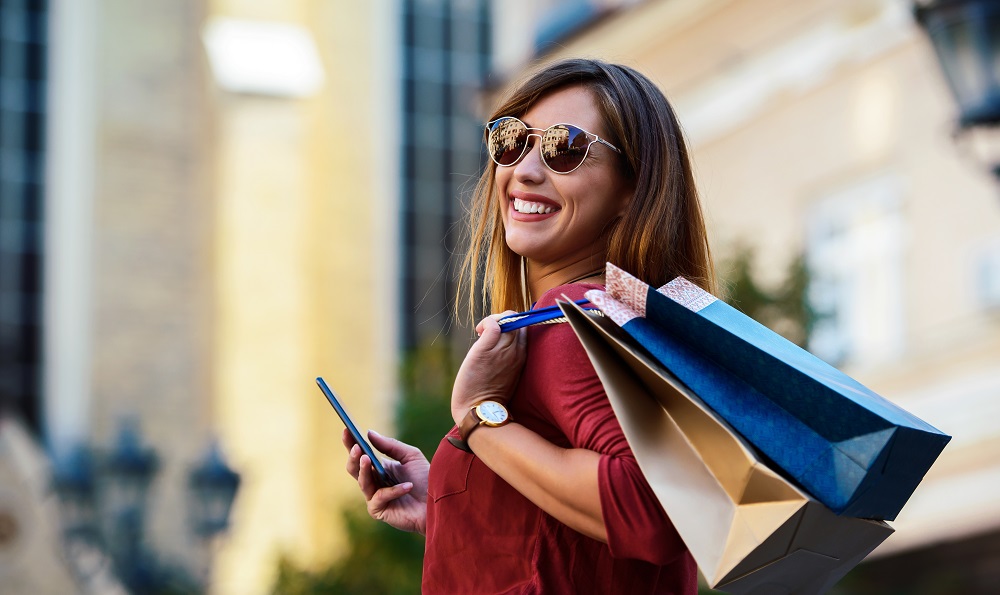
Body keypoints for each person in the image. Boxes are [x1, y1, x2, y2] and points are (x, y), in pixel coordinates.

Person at [343, 58, 715, 594]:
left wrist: (479, 420)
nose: (525, 171)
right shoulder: (627, 319)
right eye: (512, 142)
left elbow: (650, 511)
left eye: (565, 148)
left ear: (633, 188)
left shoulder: (571, 323)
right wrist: (452, 503)